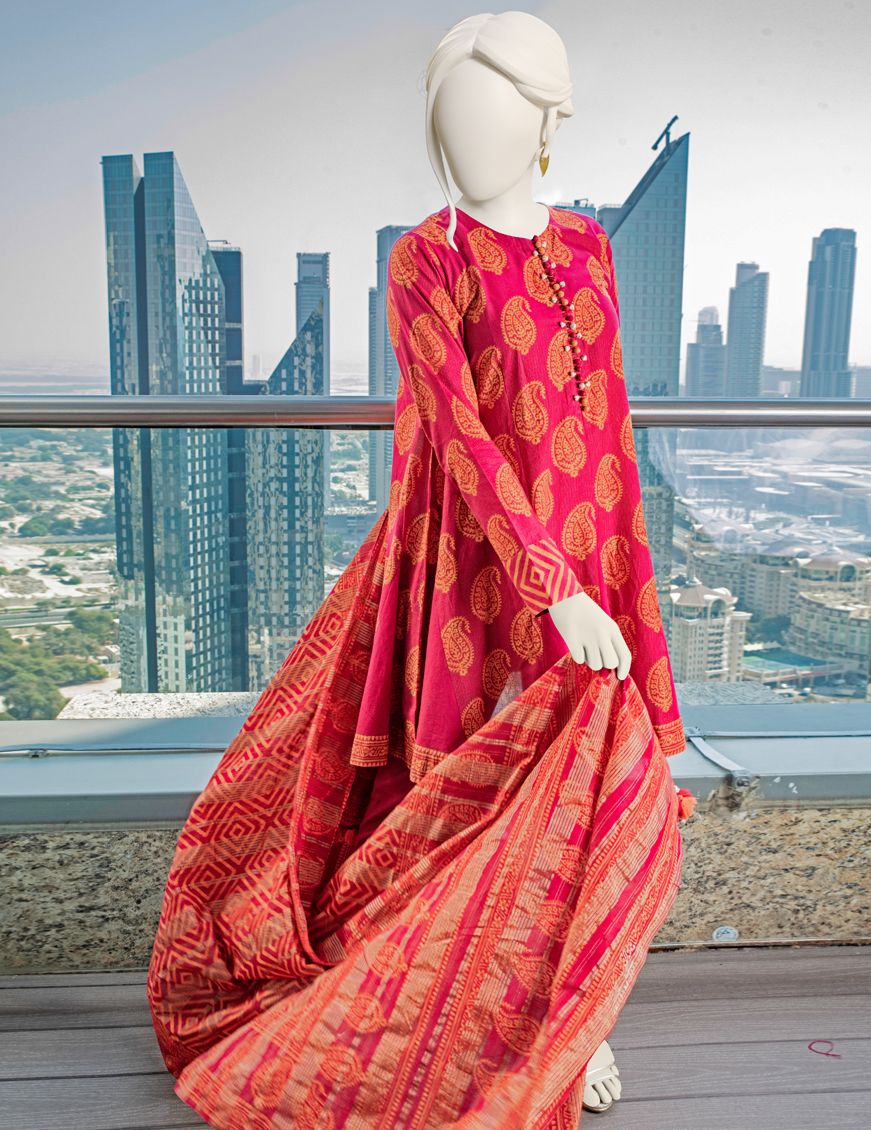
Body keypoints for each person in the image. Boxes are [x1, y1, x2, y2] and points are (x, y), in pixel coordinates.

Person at [146, 12, 695, 1127]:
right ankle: (485, 1013)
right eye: (453, 119)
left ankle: (576, 1010)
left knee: (582, 795)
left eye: (496, 113)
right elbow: (461, 436)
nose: (472, 140)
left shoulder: (588, 248)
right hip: (475, 565)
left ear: (547, 121)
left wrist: (616, 574)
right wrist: (553, 585)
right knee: (479, 801)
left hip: (592, 550)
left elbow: (609, 424)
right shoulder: (426, 259)